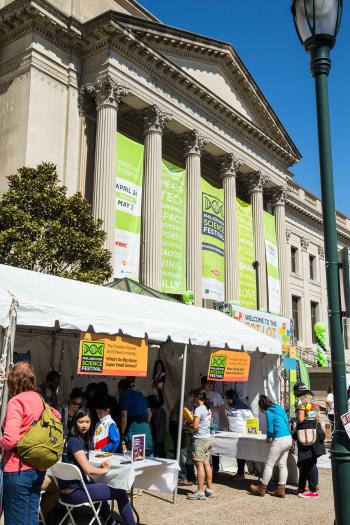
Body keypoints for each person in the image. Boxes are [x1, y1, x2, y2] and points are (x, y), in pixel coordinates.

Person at [0, 362, 60, 525]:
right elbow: (57, 416)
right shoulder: (39, 399)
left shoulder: (16, 401)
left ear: (13, 381)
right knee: (31, 518)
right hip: (38, 468)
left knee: (15, 520)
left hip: (17, 469)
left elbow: (10, 439)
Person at [60, 407, 136, 525]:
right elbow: (88, 469)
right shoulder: (75, 442)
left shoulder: (72, 440)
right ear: (75, 422)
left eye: (87, 422)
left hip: (65, 493)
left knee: (96, 486)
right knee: (120, 492)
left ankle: (111, 522)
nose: (84, 425)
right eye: (81, 422)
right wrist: (105, 469)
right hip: (75, 493)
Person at [249, 395, 292, 498]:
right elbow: (286, 421)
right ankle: (281, 490)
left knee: (269, 464)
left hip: (280, 439)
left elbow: (270, 429)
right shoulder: (279, 408)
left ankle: (261, 488)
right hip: (288, 438)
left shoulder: (269, 411)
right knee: (282, 464)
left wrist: (269, 438)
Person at [293, 383, 325, 499]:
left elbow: (301, 419)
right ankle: (302, 487)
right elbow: (317, 417)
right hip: (315, 431)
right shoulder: (313, 400)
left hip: (305, 433)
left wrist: (295, 421)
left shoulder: (300, 400)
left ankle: (313, 490)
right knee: (309, 461)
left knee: (307, 461)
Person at [187, 388, 213, 500]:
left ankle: (200, 491)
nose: (192, 398)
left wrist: (188, 425)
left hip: (200, 440)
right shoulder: (207, 408)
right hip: (207, 438)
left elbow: (195, 426)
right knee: (206, 464)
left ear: (198, 397)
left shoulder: (198, 409)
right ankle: (209, 489)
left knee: (199, 465)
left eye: (193, 396)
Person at [118, 379, 153, 455]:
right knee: (146, 455)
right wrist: (146, 423)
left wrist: (122, 433)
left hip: (134, 430)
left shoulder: (124, 396)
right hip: (146, 430)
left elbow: (124, 416)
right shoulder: (142, 395)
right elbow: (149, 413)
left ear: (120, 389)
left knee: (134, 456)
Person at [225, 390, 254, 480]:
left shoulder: (244, 408)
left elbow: (251, 420)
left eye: (228, 398)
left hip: (242, 434)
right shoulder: (228, 407)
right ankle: (240, 473)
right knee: (237, 454)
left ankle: (240, 473)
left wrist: (251, 433)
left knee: (241, 454)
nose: (227, 400)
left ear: (233, 398)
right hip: (232, 434)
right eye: (226, 398)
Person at [202, 377, 224, 472]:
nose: (210, 385)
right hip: (203, 424)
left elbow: (221, 409)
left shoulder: (217, 395)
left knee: (215, 446)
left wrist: (210, 408)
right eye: (208, 383)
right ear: (203, 385)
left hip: (214, 424)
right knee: (203, 445)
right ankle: (203, 467)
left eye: (211, 383)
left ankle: (215, 468)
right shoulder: (201, 395)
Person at [147, 385, 166, 458]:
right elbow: (161, 401)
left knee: (156, 454)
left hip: (155, 436)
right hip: (162, 435)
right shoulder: (161, 409)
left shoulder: (153, 411)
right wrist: (159, 390)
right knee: (161, 452)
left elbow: (154, 425)